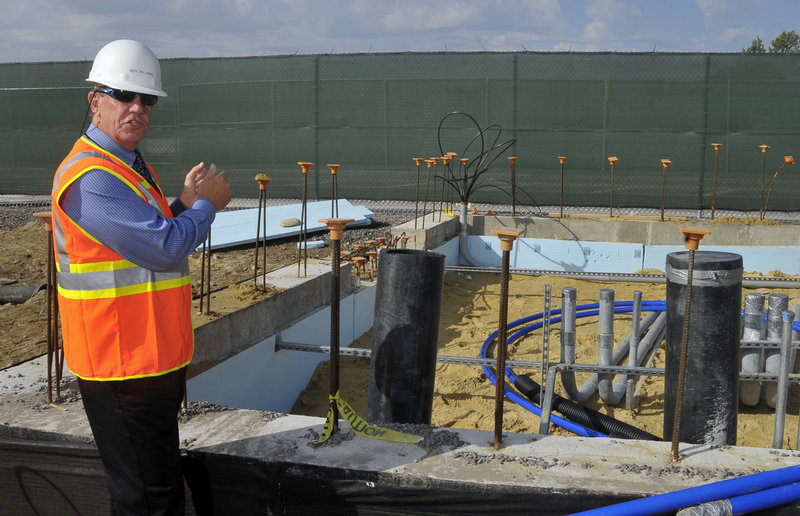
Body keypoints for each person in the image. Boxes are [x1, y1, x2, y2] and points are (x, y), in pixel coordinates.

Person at [50, 39, 231, 515]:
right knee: (148, 499)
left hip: (145, 360)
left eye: (146, 99)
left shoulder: (127, 166)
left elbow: (148, 233)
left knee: (152, 490)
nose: (137, 108)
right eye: (123, 95)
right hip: (120, 367)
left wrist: (182, 205)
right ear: (95, 101)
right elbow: (163, 247)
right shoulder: (91, 178)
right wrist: (207, 206)